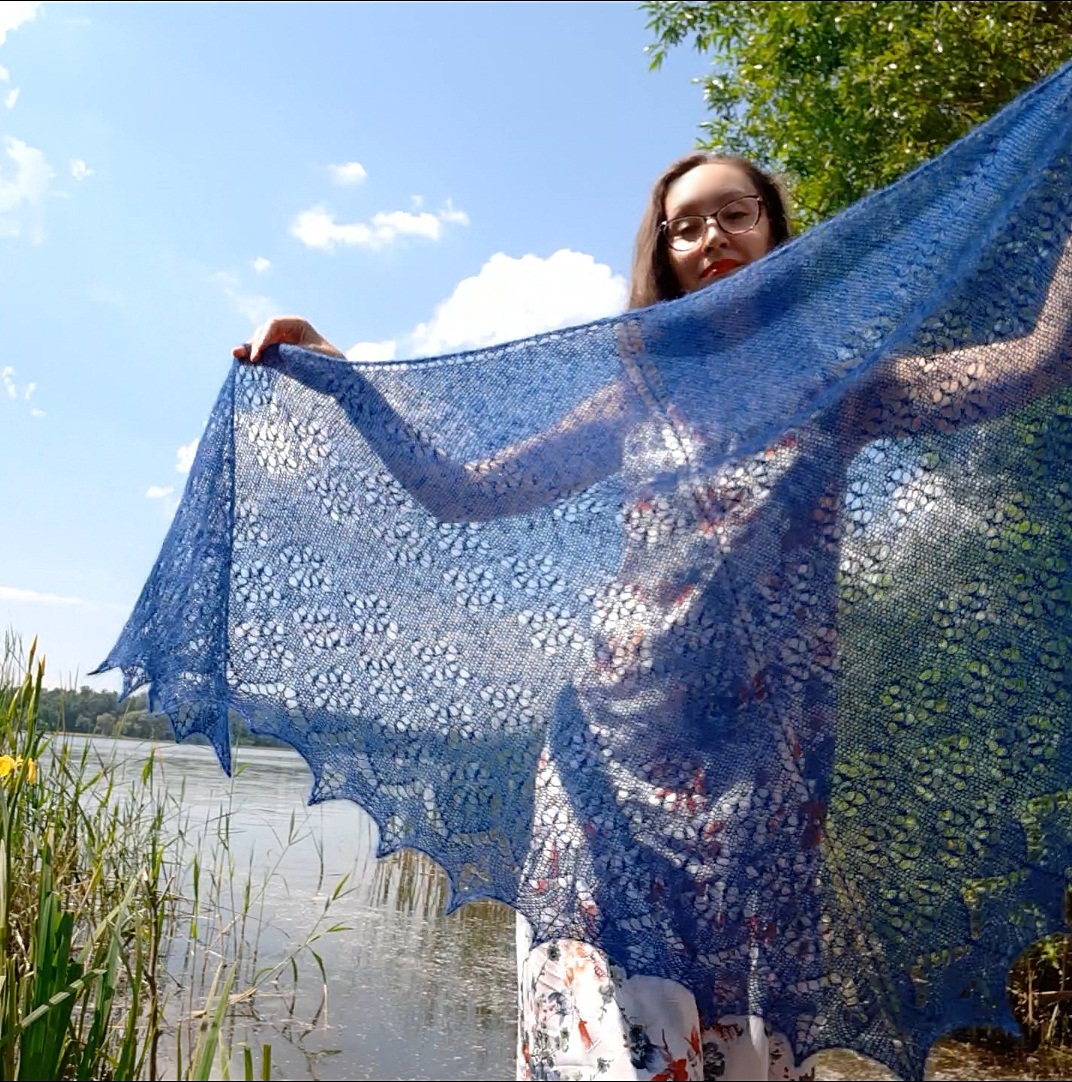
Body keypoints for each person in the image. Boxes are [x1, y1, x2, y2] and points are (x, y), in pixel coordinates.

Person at [236, 153, 1071, 1081]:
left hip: (761, 777)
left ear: (773, 232)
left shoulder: (843, 386)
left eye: (734, 215)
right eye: (685, 226)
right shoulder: (639, 398)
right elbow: (465, 492)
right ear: (665, 256)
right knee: (601, 1035)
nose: (711, 237)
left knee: (729, 1046)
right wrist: (344, 374)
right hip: (608, 750)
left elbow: (1035, 364)